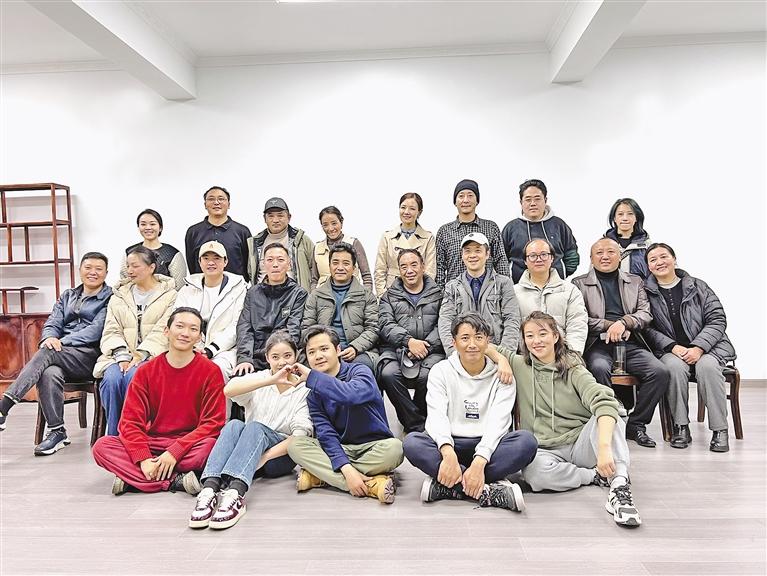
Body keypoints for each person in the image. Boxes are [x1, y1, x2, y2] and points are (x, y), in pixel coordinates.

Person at [488, 311, 642, 526]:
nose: (536, 341)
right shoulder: (520, 364)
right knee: (535, 475)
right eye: (530, 336)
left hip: (582, 444)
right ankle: (594, 476)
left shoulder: (573, 369)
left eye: (543, 334)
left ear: (555, 336)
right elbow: (483, 346)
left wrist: (604, 448)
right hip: (546, 449)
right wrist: (502, 361)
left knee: (609, 413)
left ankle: (619, 485)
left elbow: (604, 400)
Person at [402, 313, 537, 511]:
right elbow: (437, 416)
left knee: (526, 442)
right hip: (452, 444)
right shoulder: (440, 371)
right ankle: (489, 491)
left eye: (478, 337)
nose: (472, 344)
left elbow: (499, 421)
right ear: (454, 342)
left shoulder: (502, 374)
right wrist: (447, 453)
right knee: (412, 443)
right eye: (465, 338)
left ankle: (449, 487)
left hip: (489, 446)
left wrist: (480, 462)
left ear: (488, 341)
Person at [92, 308, 226, 495]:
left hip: (190, 445)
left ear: (199, 338)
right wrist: (143, 458)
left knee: (210, 448)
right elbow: (130, 422)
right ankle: (175, 481)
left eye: (193, 329)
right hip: (152, 442)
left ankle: (135, 479)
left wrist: (175, 451)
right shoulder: (146, 371)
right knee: (102, 447)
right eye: (180, 326)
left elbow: (213, 423)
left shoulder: (211, 371)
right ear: (166, 331)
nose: (185, 333)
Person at [189, 331, 312, 530]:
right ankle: (209, 490)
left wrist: (263, 457)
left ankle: (235, 494)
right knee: (234, 425)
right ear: (267, 358)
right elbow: (228, 391)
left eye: (287, 356)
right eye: (275, 357)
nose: (282, 362)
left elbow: (299, 438)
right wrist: (271, 380)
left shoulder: (304, 389)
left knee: (254, 427)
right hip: (248, 453)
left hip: (278, 457)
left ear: (296, 356)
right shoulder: (260, 379)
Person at [0, 252, 112, 455]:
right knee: (49, 372)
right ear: (80, 270)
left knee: (48, 351)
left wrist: (59, 342)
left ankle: (4, 405)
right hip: (60, 354)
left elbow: (95, 331)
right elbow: (53, 322)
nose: (93, 272)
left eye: (98, 269)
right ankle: (57, 432)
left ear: (106, 273)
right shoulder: (68, 295)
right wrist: (50, 337)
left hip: (88, 357)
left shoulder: (110, 298)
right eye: (88, 267)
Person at [287, 325, 404, 504]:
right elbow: (326, 434)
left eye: (324, 349)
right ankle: (371, 485)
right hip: (342, 449)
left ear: (337, 350)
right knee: (295, 445)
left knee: (395, 449)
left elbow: (350, 395)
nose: (318, 356)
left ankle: (320, 477)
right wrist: (347, 469)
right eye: (311, 352)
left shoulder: (360, 371)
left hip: (373, 447)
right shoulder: (313, 395)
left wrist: (313, 378)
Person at [572, 238, 669, 448]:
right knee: (599, 368)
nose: (605, 256)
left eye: (610, 252)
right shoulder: (578, 284)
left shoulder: (635, 281)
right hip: (597, 344)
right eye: (599, 253)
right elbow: (580, 318)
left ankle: (636, 424)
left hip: (630, 343)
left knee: (659, 372)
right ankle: (609, 424)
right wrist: (611, 326)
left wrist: (625, 323)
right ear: (591, 259)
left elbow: (645, 313)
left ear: (620, 256)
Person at [643, 243, 736, 452]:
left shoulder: (698, 286)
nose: (659, 262)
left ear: (674, 259)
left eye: (664, 256)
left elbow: (717, 319)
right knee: (673, 368)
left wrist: (698, 347)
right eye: (653, 260)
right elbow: (646, 328)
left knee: (707, 367)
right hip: (670, 351)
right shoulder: (645, 292)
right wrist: (672, 346)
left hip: (708, 348)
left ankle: (720, 430)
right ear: (648, 267)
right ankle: (681, 427)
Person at [94, 246, 177, 436]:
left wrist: (141, 355)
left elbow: (163, 331)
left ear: (151, 267)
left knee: (135, 377)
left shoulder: (170, 295)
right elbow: (111, 329)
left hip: (153, 356)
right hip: (119, 356)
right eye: (128, 266)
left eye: (135, 266)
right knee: (112, 379)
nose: (130, 270)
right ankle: (114, 435)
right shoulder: (119, 296)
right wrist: (122, 355)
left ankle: (134, 434)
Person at [378, 248, 445, 433]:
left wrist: (425, 347)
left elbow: (444, 324)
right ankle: (416, 426)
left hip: (432, 350)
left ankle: (415, 421)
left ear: (423, 266)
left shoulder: (439, 294)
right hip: (397, 350)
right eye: (404, 266)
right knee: (388, 374)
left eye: (414, 265)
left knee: (428, 376)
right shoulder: (389, 296)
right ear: (399, 270)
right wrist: (408, 342)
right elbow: (385, 324)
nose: (409, 270)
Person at [174, 241, 247, 381]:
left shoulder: (239, 289)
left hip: (225, 350)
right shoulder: (187, 289)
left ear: (225, 262)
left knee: (216, 369)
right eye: (206, 258)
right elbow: (178, 320)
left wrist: (210, 350)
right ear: (199, 262)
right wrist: (193, 348)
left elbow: (237, 325)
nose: (211, 263)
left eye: (216, 258)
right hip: (190, 347)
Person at [438, 232, 520, 355]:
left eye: (478, 250)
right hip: (463, 353)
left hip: (495, 352)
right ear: (462, 255)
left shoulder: (503, 283)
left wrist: (504, 355)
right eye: (467, 251)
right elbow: (445, 322)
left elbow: (512, 319)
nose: (472, 255)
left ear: (487, 254)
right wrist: (455, 355)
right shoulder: (452, 287)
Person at [302, 243, 379, 372]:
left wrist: (355, 347)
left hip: (357, 351)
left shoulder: (367, 295)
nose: (340, 268)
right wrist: (323, 349)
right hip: (323, 350)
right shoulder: (316, 295)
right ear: (329, 266)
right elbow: (307, 328)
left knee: (362, 368)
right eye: (335, 263)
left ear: (354, 268)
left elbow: (373, 328)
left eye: (346, 263)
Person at [234, 243, 307, 376]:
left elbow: (293, 329)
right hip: (254, 355)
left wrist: (275, 356)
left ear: (289, 264)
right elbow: (244, 327)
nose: (275, 265)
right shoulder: (252, 293)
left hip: (282, 355)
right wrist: (244, 358)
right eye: (270, 260)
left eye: (280, 260)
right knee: (239, 378)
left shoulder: (298, 294)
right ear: (263, 264)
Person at [514, 238, 588, 353]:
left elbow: (577, 326)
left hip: (562, 355)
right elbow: (512, 329)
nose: (539, 259)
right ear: (525, 261)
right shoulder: (514, 292)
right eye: (532, 256)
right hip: (526, 356)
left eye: (544, 255)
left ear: (552, 258)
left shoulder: (570, 291)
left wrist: (572, 356)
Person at [502, 179, 580, 284]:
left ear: (545, 200)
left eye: (537, 199)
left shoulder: (559, 225)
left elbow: (572, 255)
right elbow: (501, 260)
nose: (533, 203)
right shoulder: (511, 228)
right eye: (528, 199)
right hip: (520, 288)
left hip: (556, 287)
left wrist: (561, 274)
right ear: (521, 202)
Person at [435, 179, 508, 290]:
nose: (465, 200)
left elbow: (500, 260)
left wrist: (505, 289)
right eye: (461, 196)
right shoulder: (444, 231)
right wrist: (441, 294)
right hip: (455, 293)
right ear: (455, 202)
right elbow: (439, 267)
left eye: (470, 195)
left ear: (477, 200)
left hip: (487, 292)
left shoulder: (491, 227)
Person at [247, 197, 316, 292]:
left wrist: (311, 294)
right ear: (264, 219)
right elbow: (251, 273)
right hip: (263, 297)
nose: (275, 220)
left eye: (280, 215)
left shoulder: (301, 240)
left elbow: (315, 271)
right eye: (271, 216)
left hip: (296, 297)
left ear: (289, 217)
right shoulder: (255, 243)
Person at [185, 186, 252, 282]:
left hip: (236, 288)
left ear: (229, 204)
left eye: (221, 199)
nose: (216, 202)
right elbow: (192, 264)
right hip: (203, 287)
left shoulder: (242, 231)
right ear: (205, 204)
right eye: (211, 199)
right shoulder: (193, 232)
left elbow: (248, 264)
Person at [375, 193, 436, 295]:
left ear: (419, 212)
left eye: (412, 208)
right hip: (392, 292)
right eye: (403, 207)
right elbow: (379, 271)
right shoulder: (387, 237)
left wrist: (424, 296)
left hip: (418, 293)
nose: (406, 212)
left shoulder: (428, 238)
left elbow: (430, 271)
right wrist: (382, 296)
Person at [121, 208, 187, 289]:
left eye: (152, 224)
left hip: (166, 296)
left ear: (160, 227)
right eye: (143, 224)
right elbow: (124, 281)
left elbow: (179, 286)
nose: (148, 227)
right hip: (134, 296)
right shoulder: (130, 252)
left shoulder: (172, 253)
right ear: (138, 227)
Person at [312, 206, 373, 291]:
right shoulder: (317, 247)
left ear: (341, 222)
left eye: (334, 223)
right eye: (325, 225)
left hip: (351, 295)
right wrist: (313, 296)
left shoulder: (353, 243)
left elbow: (366, 277)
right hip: (323, 296)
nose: (330, 228)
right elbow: (314, 280)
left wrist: (366, 295)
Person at [604, 198, 651, 279]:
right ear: (614, 218)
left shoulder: (646, 245)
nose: (625, 218)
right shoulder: (603, 244)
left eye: (630, 214)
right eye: (620, 214)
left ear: (636, 218)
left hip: (640, 287)